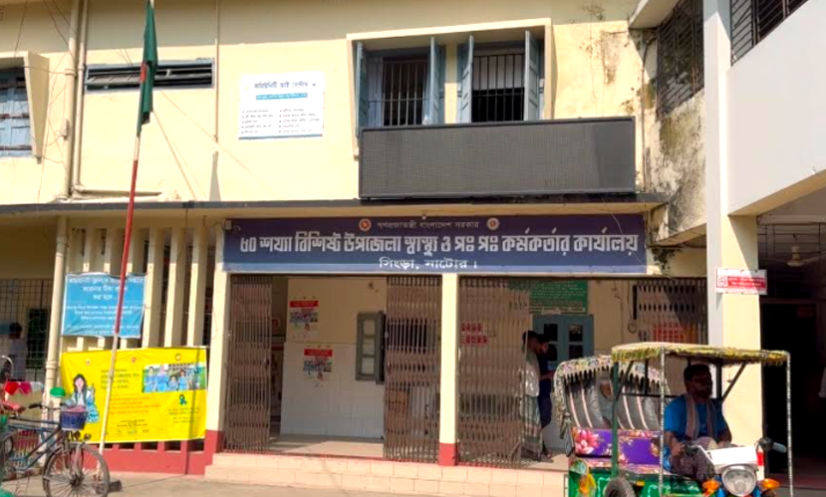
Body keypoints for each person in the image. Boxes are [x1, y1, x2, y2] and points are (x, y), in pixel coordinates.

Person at [664, 364, 732, 481]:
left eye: (708, 379)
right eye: (700, 379)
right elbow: (668, 435)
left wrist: (721, 445)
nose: (706, 382)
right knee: (705, 443)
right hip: (682, 456)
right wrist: (675, 447)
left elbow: (726, 433)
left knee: (737, 450)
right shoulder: (677, 406)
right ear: (688, 384)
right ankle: (708, 485)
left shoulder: (713, 407)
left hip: (711, 453)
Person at [521, 331, 544, 461]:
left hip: (530, 392)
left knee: (531, 422)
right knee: (530, 423)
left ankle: (532, 450)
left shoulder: (529, 354)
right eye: (535, 341)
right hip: (527, 392)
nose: (536, 343)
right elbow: (537, 375)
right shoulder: (527, 355)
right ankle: (531, 450)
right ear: (529, 341)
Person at [536, 337, 555, 458]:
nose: (546, 349)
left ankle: (540, 444)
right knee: (543, 419)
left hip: (545, 392)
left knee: (545, 419)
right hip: (541, 394)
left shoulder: (543, 358)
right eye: (545, 346)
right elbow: (537, 377)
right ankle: (541, 446)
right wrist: (549, 375)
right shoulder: (537, 358)